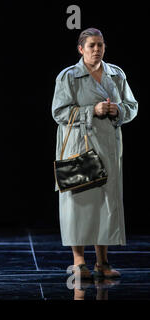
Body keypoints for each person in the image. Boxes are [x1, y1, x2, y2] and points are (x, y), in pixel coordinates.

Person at [52, 28, 138, 279]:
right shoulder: (69, 76)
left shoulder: (116, 74)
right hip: (79, 145)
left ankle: (102, 262)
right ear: (81, 49)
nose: (96, 49)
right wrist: (92, 110)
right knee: (78, 203)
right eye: (91, 45)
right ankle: (79, 262)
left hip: (108, 147)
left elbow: (132, 106)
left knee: (105, 203)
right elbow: (59, 112)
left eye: (100, 45)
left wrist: (117, 111)